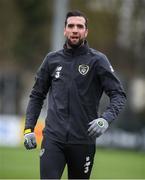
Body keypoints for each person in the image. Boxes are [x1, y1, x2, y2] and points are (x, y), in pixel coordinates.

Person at [24, 10, 126, 179]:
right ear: (65, 30)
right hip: (53, 139)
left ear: (86, 32)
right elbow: (36, 95)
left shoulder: (98, 60)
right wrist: (28, 129)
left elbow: (118, 94)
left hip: (83, 141)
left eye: (80, 26)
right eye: (71, 26)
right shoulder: (51, 60)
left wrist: (105, 119)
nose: (75, 30)